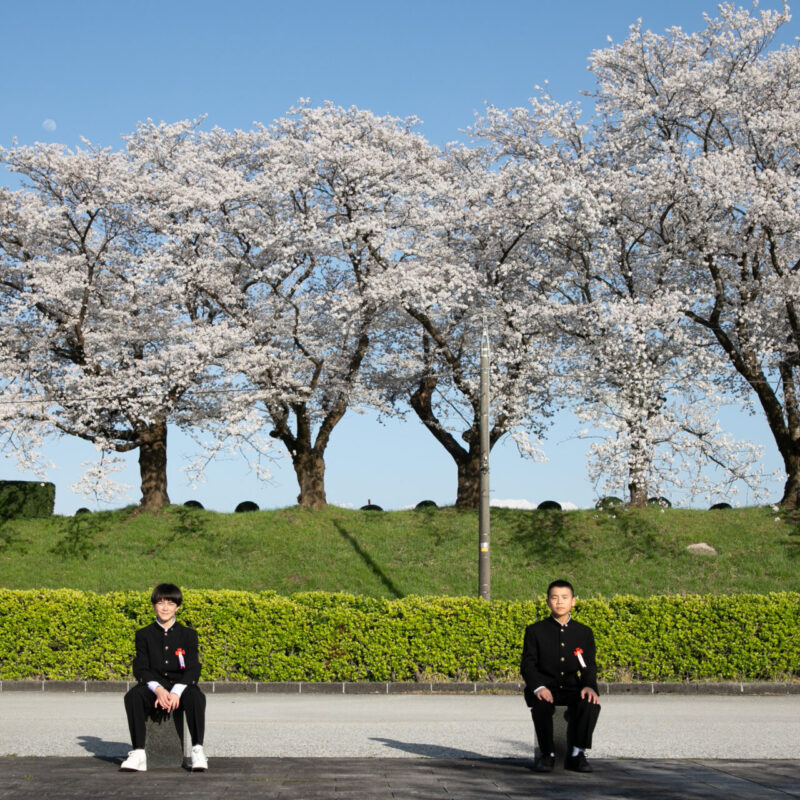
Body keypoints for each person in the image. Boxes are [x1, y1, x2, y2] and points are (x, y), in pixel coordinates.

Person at [120, 583, 208, 772]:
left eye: (170, 603)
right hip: (154, 686)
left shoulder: (189, 635)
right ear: (154, 605)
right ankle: (138, 752)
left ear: (177, 606)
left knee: (196, 697)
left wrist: (176, 691)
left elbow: (193, 668)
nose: (165, 607)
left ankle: (197, 750)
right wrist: (158, 689)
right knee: (133, 696)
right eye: (160, 602)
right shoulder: (143, 634)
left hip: (181, 686)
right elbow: (141, 667)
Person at [520, 579, 601, 773]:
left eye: (565, 597)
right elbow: (528, 665)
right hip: (546, 687)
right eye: (554, 598)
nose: (559, 602)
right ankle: (547, 755)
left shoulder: (584, 632)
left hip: (573, 688)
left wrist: (589, 685)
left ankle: (577, 754)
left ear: (573, 601)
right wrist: (539, 687)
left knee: (590, 702)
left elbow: (588, 665)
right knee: (541, 704)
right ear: (547, 602)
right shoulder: (535, 631)